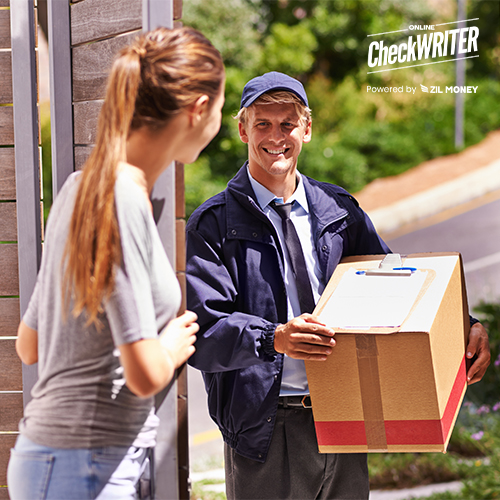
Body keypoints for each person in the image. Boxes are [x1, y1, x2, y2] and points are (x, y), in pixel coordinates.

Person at [185, 71, 490, 499]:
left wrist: (465, 325)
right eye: (263, 124)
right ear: (242, 130)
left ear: (307, 129)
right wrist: (275, 338)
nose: (277, 136)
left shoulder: (338, 210)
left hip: (346, 416)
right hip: (266, 430)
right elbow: (203, 334)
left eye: (288, 123)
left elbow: (399, 282)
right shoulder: (212, 225)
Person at [7, 26, 225, 500]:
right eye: (223, 109)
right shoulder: (122, 200)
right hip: (82, 465)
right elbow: (145, 370)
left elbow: (30, 344)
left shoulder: (79, 189)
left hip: (57, 458)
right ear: (200, 109)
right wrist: (169, 345)